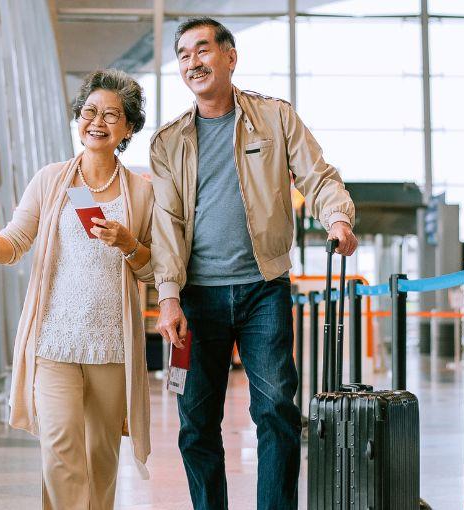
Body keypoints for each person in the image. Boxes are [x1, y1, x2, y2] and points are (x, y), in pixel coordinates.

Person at [149, 17, 358, 509]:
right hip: (197, 297)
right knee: (196, 425)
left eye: (202, 50)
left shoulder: (274, 118)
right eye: (183, 55)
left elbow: (319, 176)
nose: (192, 62)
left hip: (264, 287)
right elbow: (166, 225)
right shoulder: (168, 142)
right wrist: (168, 298)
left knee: (277, 413)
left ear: (229, 56)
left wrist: (337, 219)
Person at [0, 69, 153, 510]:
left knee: (101, 456)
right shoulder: (51, 180)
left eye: (112, 115)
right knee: (59, 449)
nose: (98, 122)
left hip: (110, 346)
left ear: (127, 128)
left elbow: (153, 268)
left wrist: (128, 243)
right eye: (90, 111)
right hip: (54, 340)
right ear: (78, 117)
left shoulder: (143, 194)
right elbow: (18, 236)